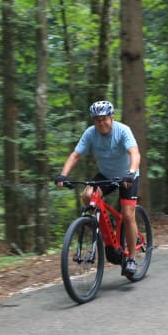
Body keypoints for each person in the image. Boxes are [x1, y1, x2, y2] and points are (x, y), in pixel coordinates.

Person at [55, 100, 141, 275]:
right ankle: (107, 233)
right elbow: (76, 155)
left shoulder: (122, 130)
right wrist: (63, 175)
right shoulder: (90, 134)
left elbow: (135, 153)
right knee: (87, 195)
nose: (101, 123)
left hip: (127, 175)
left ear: (111, 117)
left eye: (104, 119)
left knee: (127, 214)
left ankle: (131, 258)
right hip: (106, 175)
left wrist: (131, 173)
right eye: (97, 120)